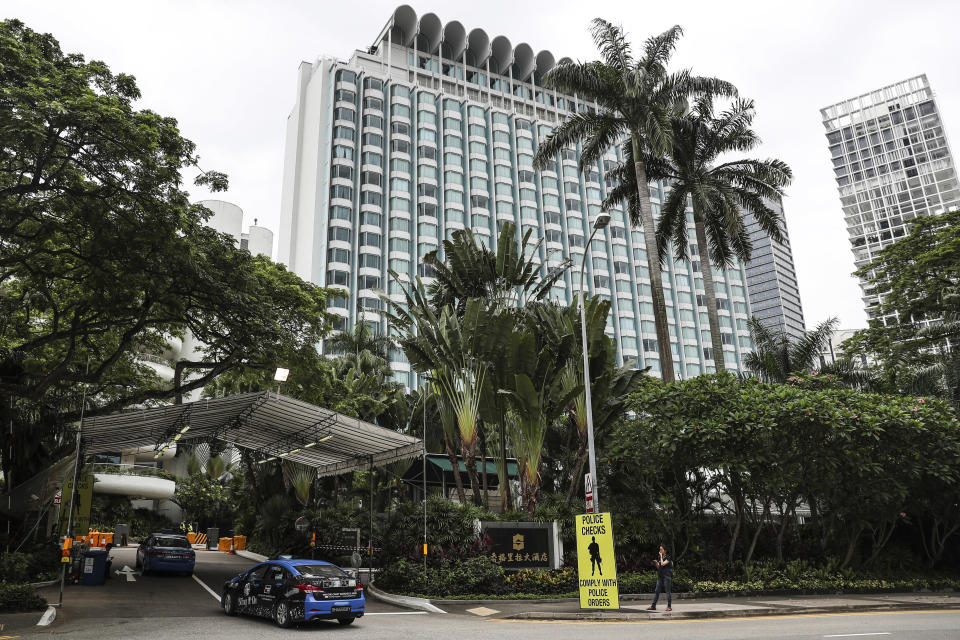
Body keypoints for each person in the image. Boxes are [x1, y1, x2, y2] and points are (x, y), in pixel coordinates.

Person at [646, 544, 673, 612]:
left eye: (661, 549)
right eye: (660, 549)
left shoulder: (668, 557)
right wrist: (656, 563)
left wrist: (661, 557)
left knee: (668, 592)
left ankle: (669, 607)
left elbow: (663, 564)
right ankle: (653, 606)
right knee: (657, 591)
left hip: (667, 576)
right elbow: (659, 567)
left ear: (665, 550)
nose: (660, 550)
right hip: (660, 576)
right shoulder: (659, 557)